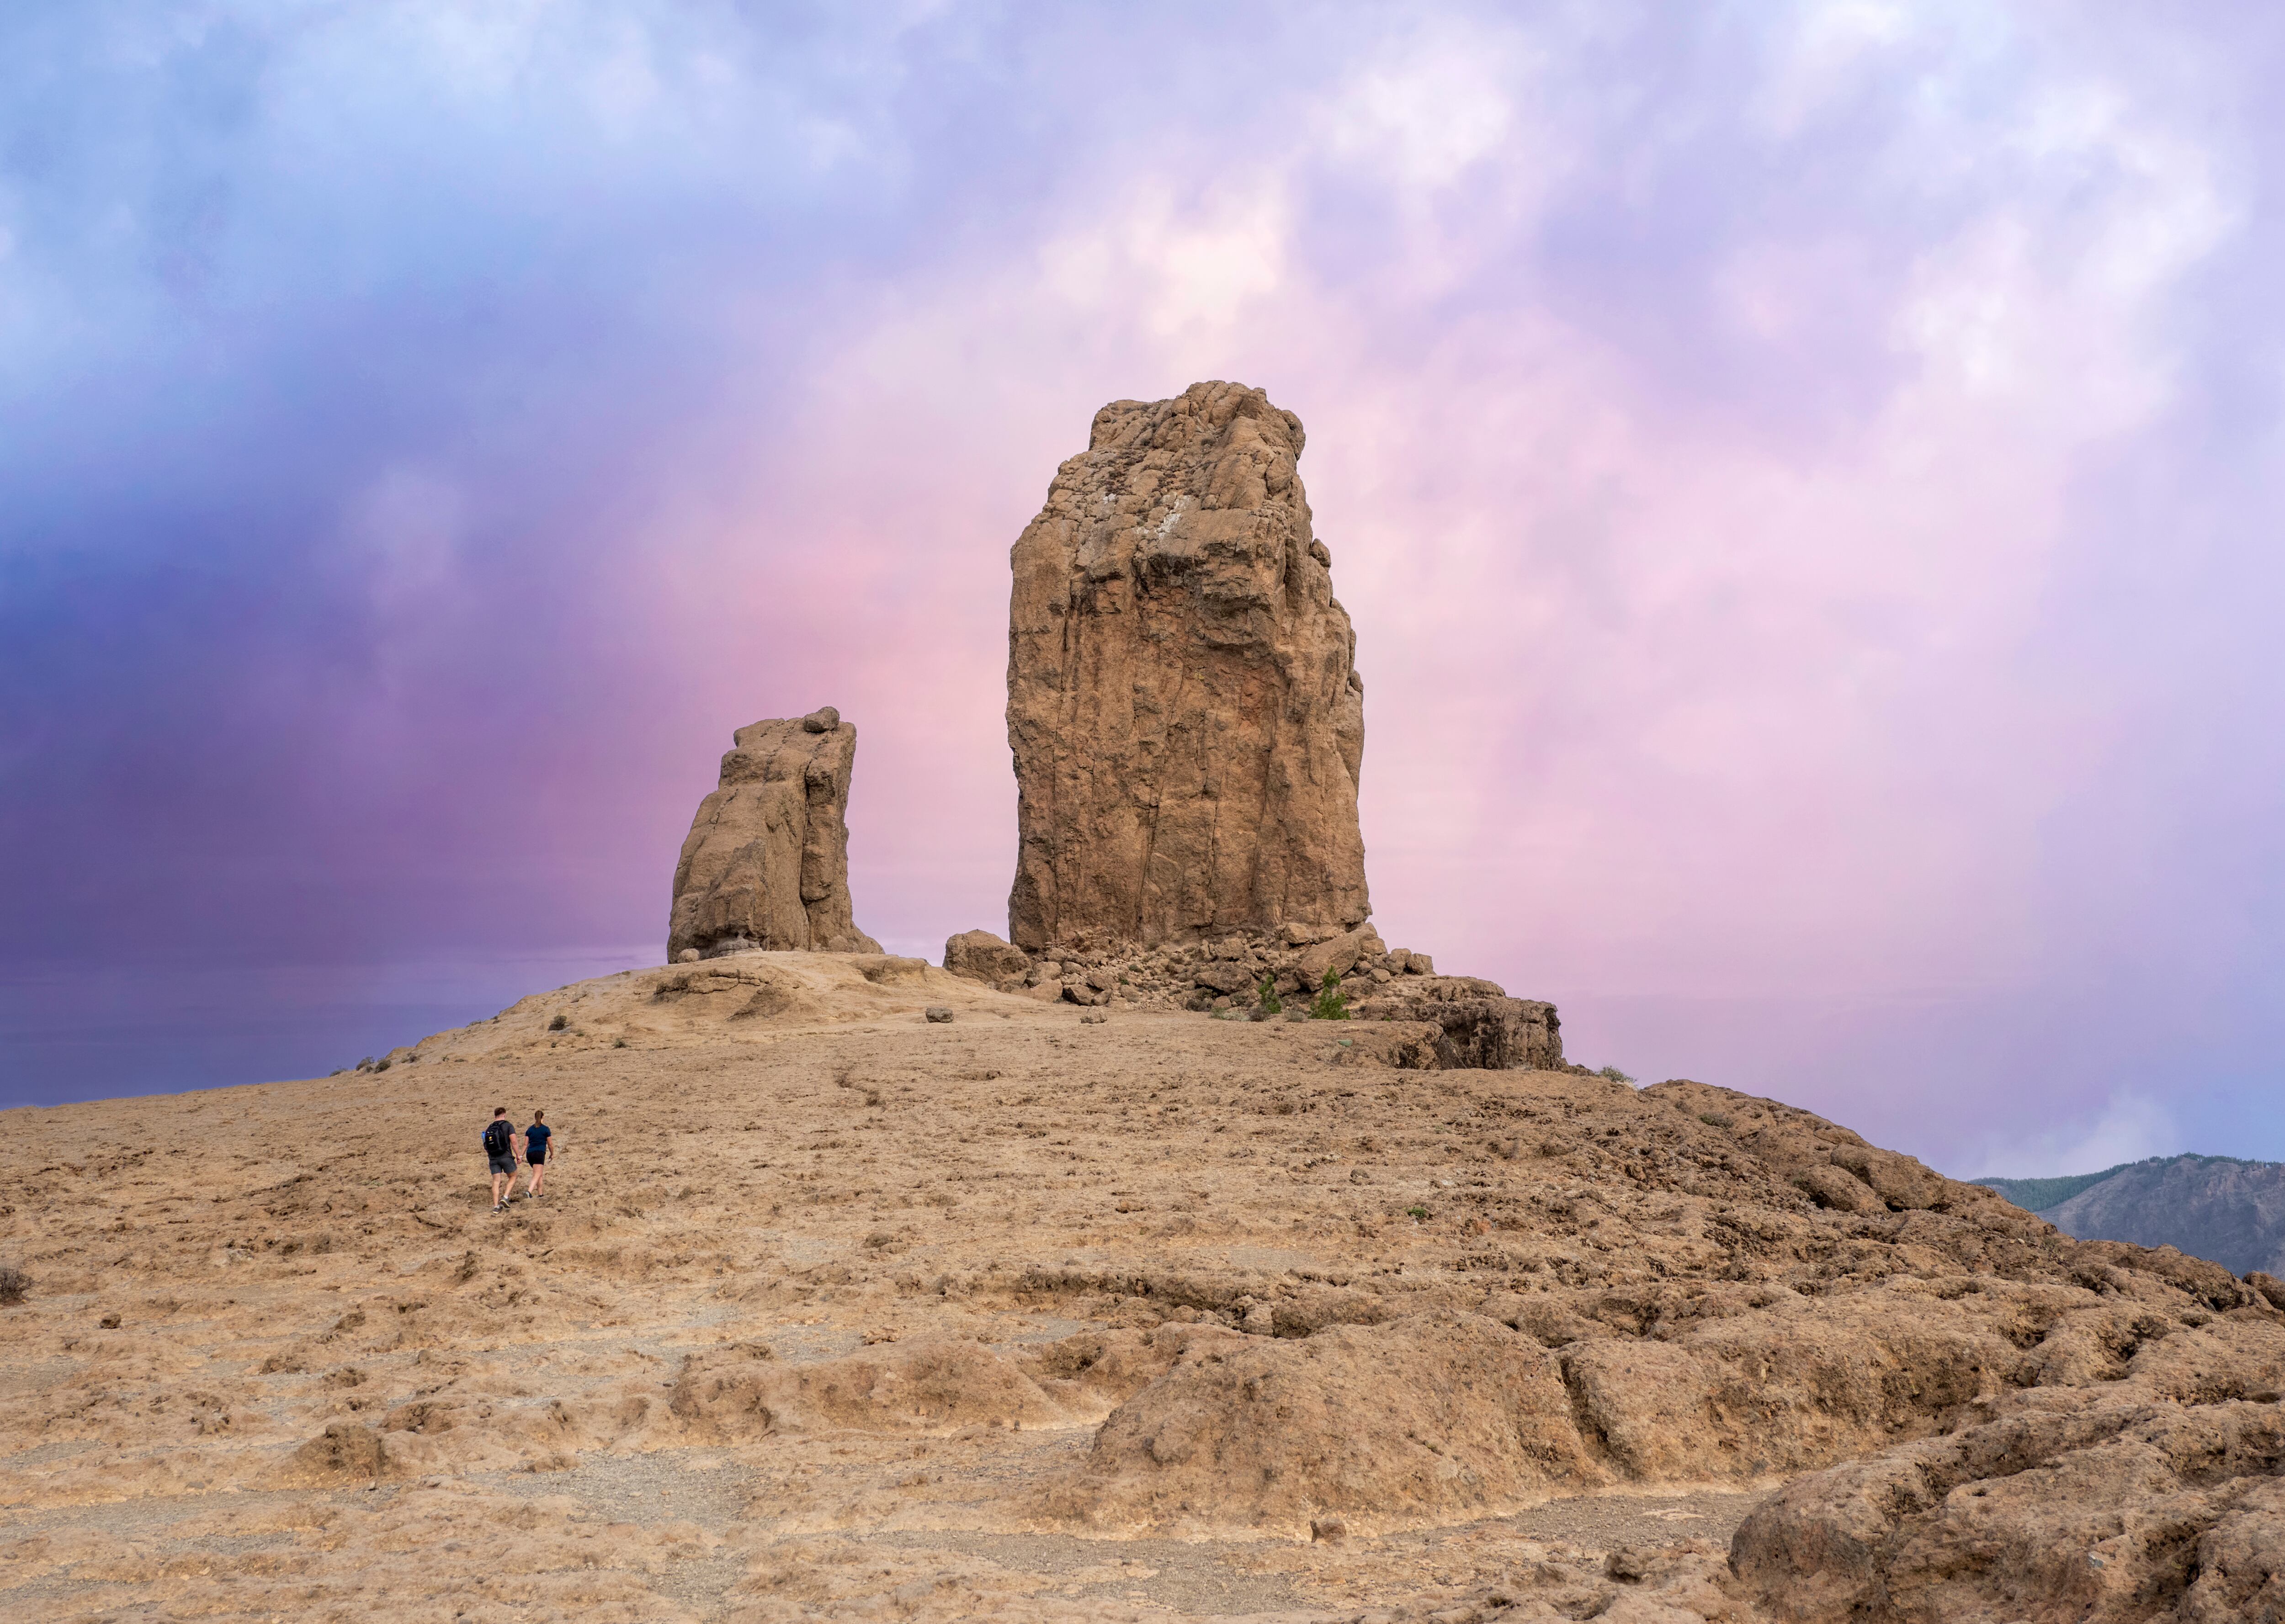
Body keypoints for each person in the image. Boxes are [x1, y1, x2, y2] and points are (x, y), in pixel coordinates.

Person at [483, 1106, 517, 1213]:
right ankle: (505, 1197)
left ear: (495, 1116)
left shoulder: (489, 1128)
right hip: (506, 1156)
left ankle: (496, 1206)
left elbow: (485, 1145)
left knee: (496, 1181)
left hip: (493, 1158)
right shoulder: (508, 1125)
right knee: (513, 1176)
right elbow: (514, 1142)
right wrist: (519, 1155)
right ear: (504, 1115)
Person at [521, 1109, 554, 1200]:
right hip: (539, 1153)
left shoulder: (530, 1130)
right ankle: (529, 1191)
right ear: (543, 1117)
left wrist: (521, 1156)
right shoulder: (546, 1129)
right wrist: (552, 1154)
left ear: (535, 1118)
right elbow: (550, 1144)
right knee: (537, 1173)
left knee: (539, 1174)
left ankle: (541, 1194)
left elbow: (525, 1144)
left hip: (530, 1154)